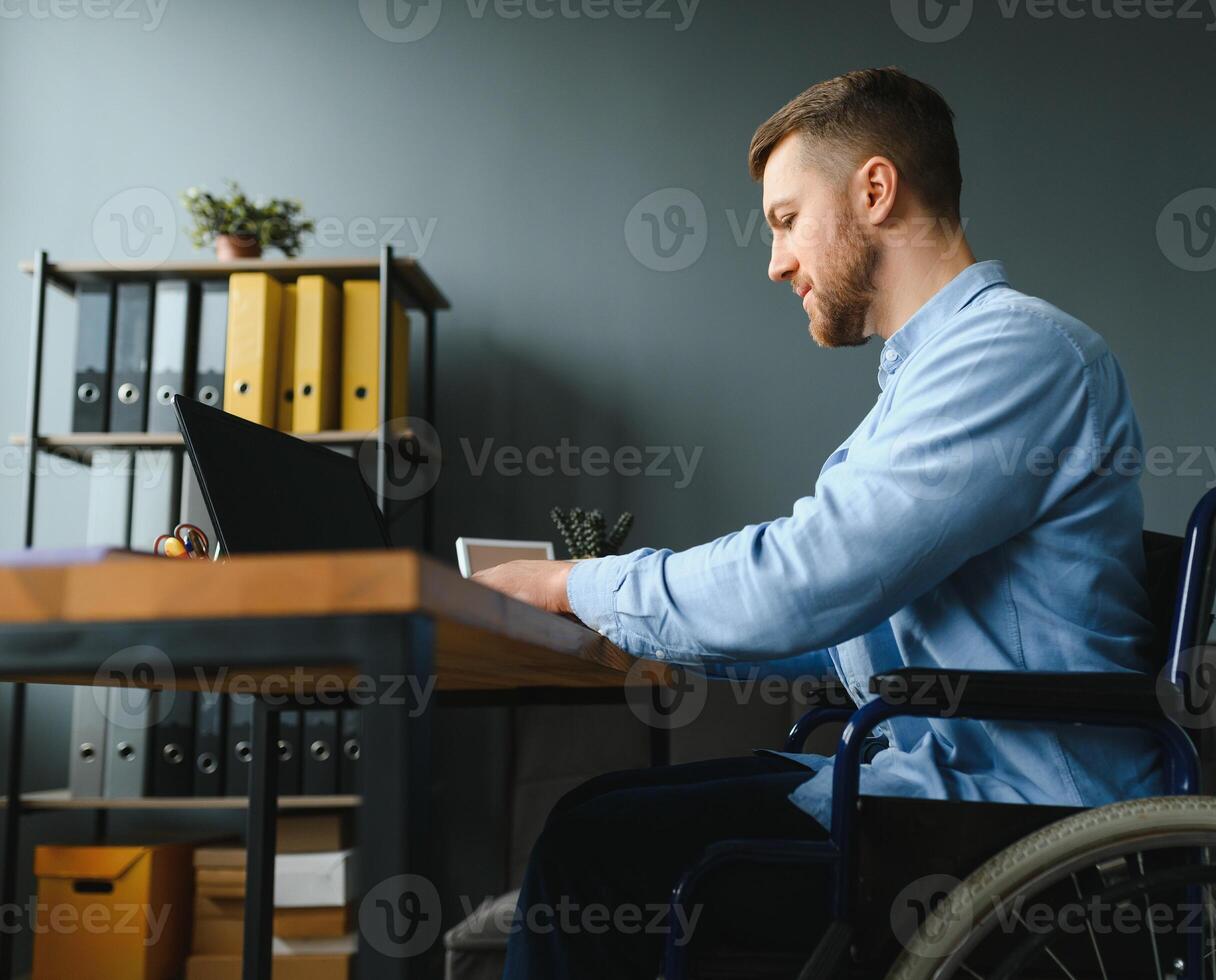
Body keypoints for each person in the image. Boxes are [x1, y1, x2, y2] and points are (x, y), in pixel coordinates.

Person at [477, 66, 1165, 979]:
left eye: (786, 220)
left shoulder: (1011, 352)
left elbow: (808, 579)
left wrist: (576, 583)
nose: (776, 262)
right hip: (940, 788)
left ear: (874, 191)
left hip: (1022, 817)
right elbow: (846, 619)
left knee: (596, 848)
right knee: (594, 817)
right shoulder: (930, 378)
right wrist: (638, 626)